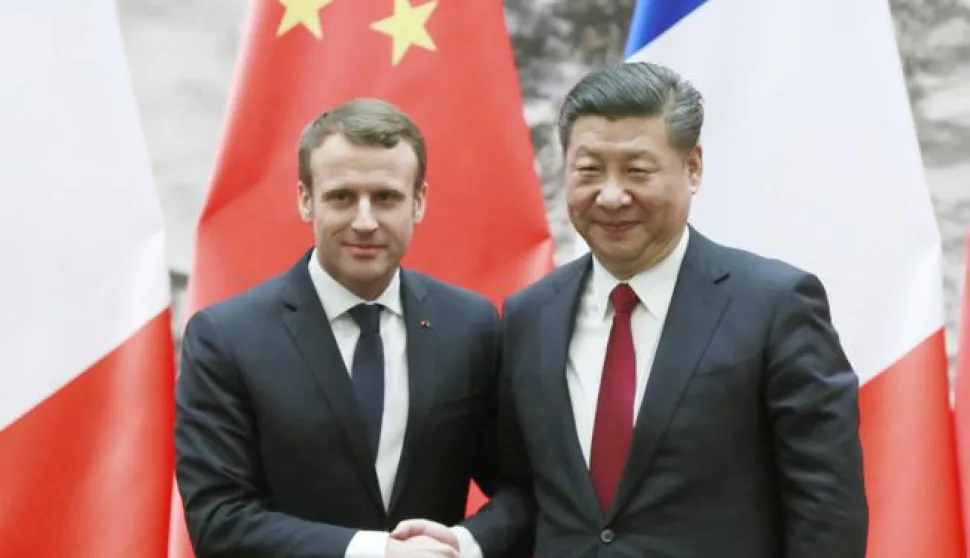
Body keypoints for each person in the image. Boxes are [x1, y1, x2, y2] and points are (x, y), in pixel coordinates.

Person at [394, 62, 868, 557]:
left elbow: (826, 510)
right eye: (589, 171)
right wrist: (469, 541)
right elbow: (530, 491)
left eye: (638, 171)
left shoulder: (776, 305)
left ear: (693, 167)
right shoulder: (529, 316)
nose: (612, 195)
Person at [174, 99, 530, 558]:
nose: (365, 222)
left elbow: (524, 488)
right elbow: (218, 520)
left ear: (418, 202)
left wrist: (465, 544)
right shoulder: (225, 338)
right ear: (306, 199)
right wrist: (376, 552)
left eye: (386, 197)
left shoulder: (472, 326)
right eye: (342, 197)